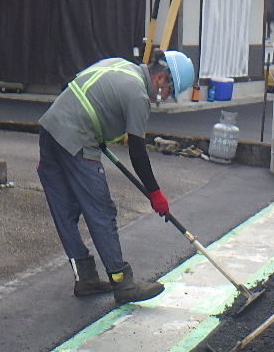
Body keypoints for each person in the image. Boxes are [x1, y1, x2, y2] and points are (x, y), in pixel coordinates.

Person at [37, 50, 195, 305]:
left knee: (65, 210)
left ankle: (85, 277)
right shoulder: (138, 95)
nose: (165, 98)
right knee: (101, 211)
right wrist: (155, 193)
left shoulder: (119, 65)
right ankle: (122, 283)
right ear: (162, 78)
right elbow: (137, 151)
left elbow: (74, 87)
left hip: (50, 130)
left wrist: (94, 127)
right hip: (77, 138)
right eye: (169, 92)